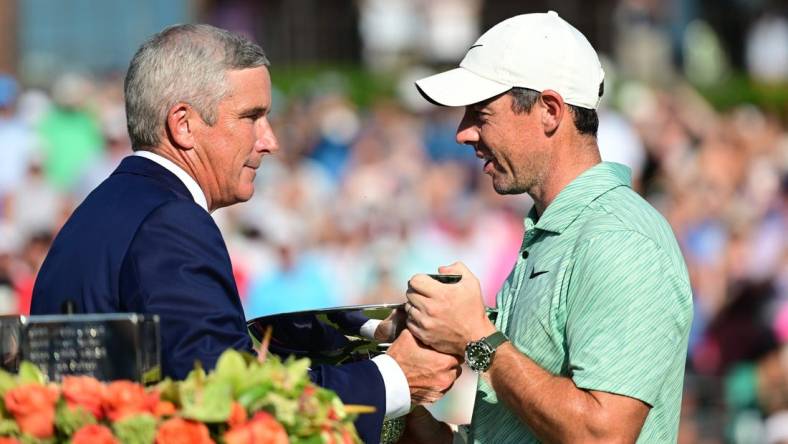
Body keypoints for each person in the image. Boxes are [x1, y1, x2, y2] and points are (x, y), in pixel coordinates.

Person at [30, 24, 461, 443]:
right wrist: (394, 378)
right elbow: (226, 399)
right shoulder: (172, 222)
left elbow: (180, 364)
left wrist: (362, 335)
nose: (270, 140)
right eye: (251, 116)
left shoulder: (102, 209)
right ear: (183, 125)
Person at [402, 11, 693, 443]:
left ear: (550, 111)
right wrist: (409, 417)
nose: (463, 133)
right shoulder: (555, 231)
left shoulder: (618, 239)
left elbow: (603, 435)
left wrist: (476, 337)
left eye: (481, 114)